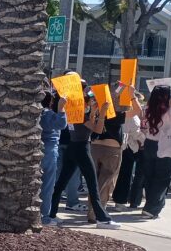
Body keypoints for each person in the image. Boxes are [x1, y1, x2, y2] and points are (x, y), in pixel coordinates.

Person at [47, 91, 119, 228]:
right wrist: (102, 112)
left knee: (61, 183)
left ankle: (50, 214)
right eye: (88, 101)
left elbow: (88, 129)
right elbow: (97, 130)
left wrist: (93, 112)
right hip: (82, 150)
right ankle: (102, 218)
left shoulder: (73, 114)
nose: (90, 102)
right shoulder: (80, 115)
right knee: (93, 185)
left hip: (72, 148)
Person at [139, 85, 171, 219]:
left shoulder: (147, 109)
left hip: (149, 144)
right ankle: (151, 209)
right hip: (166, 146)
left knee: (150, 176)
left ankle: (151, 205)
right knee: (162, 178)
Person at [89, 89, 131, 222]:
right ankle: (99, 212)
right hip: (112, 149)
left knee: (93, 180)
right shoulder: (118, 114)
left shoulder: (97, 112)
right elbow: (139, 113)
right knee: (106, 182)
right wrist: (133, 96)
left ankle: (91, 212)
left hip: (95, 146)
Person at [37, 91, 69, 226]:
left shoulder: (37, 114)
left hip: (38, 149)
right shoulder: (48, 114)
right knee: (48, 185)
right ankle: (45, 217)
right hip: (50, 150)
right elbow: (62, 124)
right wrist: (62, 109)